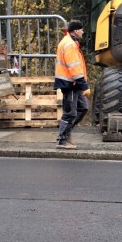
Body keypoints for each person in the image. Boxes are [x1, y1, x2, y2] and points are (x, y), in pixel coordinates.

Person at [54, 20, 91, 149]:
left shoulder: (71, 43)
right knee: (70, 112)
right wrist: (84, 85)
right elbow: (74, 67)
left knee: (83, 107)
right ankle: (62, 140)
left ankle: (67, 132)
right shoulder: (69, 44)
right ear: (76, 31)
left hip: (73, 83)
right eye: (81, 30)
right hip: (70, 83)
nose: (83, 32)